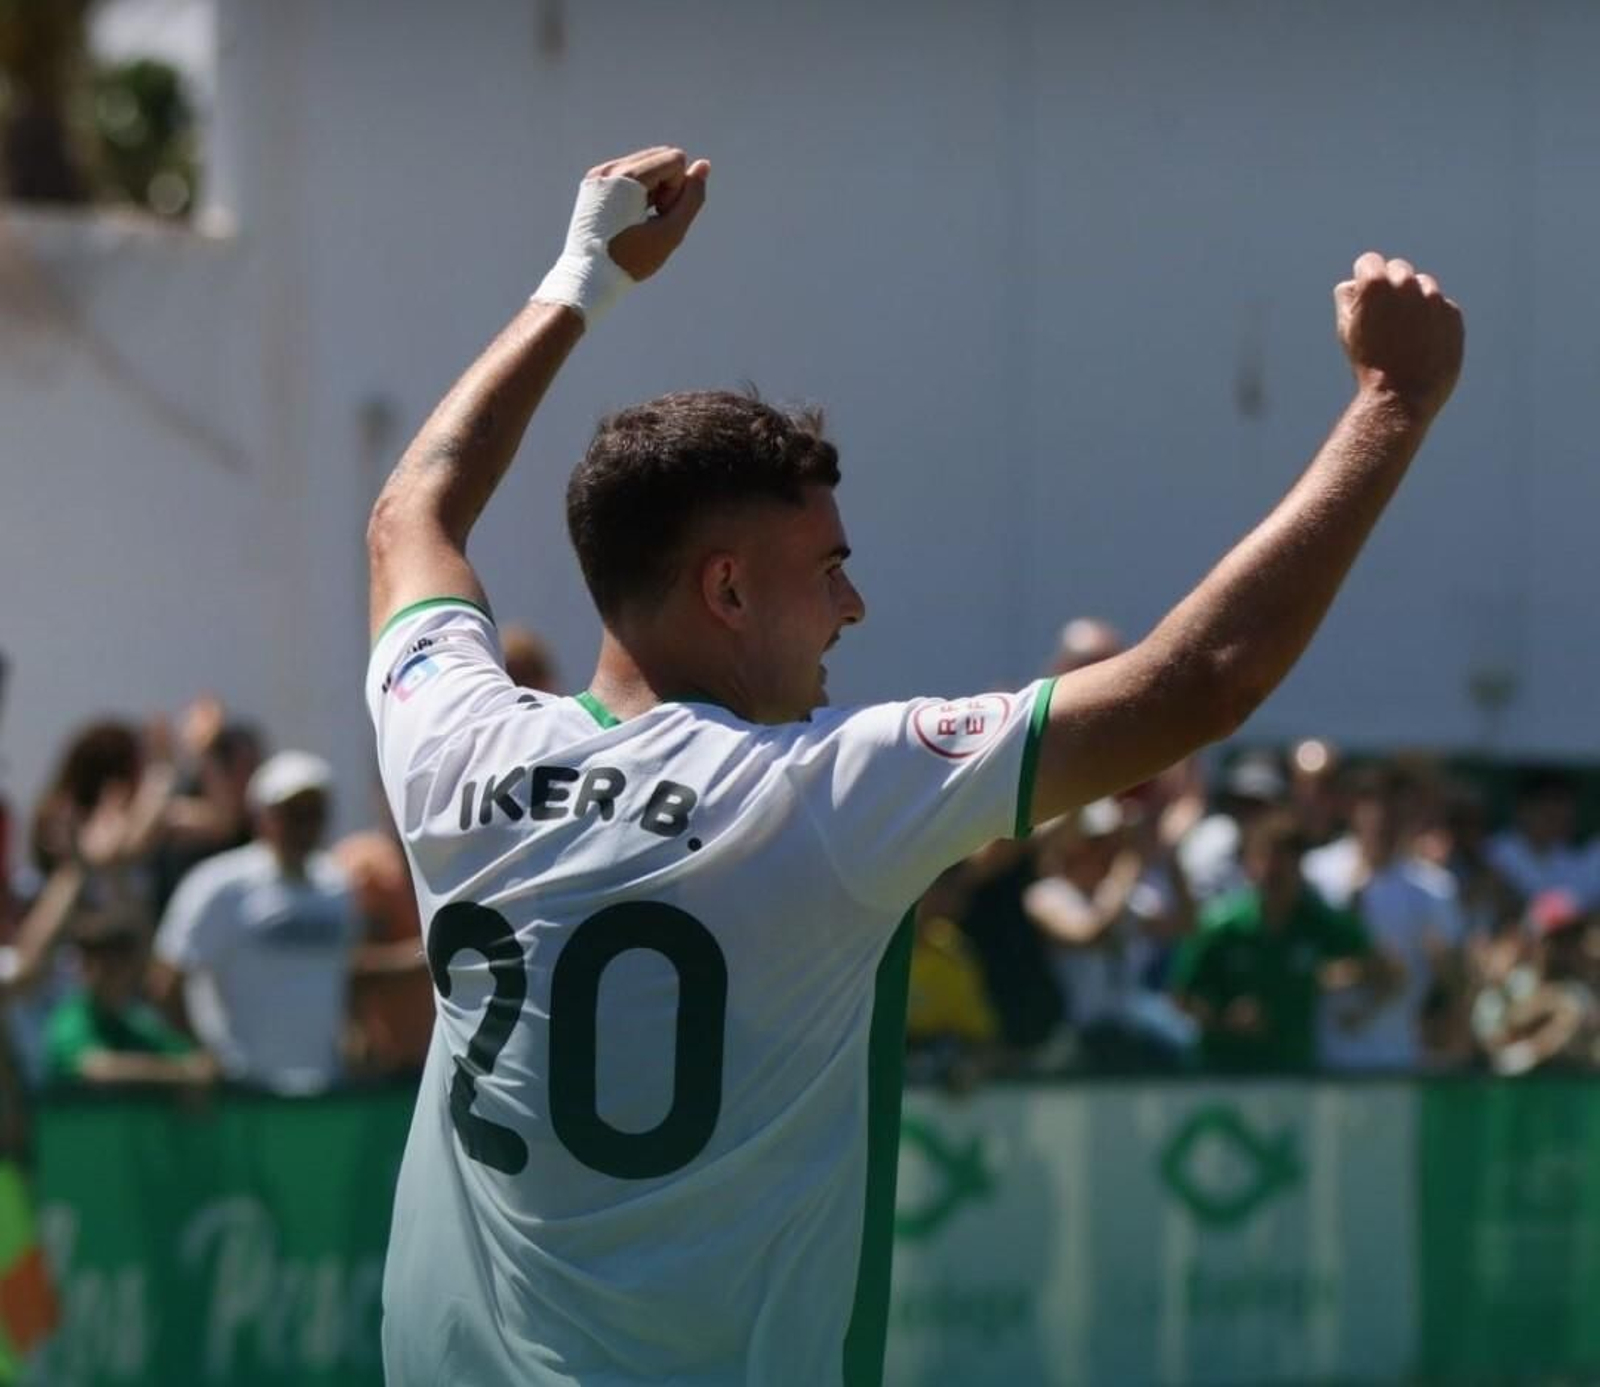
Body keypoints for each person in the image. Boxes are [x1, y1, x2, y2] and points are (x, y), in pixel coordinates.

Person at [364, 145, 1462, 1385]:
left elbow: (416, 511)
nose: (854, 604)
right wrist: (1392, 404)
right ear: (724, 587)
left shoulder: (454, 745)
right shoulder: (816, 796)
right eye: (826, 565)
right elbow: (1199, 678)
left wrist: (580, 276)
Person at [1170, 811, 1392, 1072]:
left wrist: (1354, 1000)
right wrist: (1224, 1018)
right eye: (1265, 863)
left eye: (1283, 865)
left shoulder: (1317, 922)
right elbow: (1182, 996)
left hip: (1292, 1074)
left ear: (1298, 866)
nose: (1272, 874)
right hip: (1226, 1072)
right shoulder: (1221, 926)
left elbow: (1383, 968)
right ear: (1250, 865)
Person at [1302, 767, 1467, 1071]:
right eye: (1377, 809)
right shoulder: (1316, 873)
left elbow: (1455, 984)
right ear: (1355, 811)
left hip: (1396, 1057)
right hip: (1323, 1053)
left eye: (1397, 812)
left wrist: (1444, 967)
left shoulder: (1435, 889)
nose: (1385, 822)